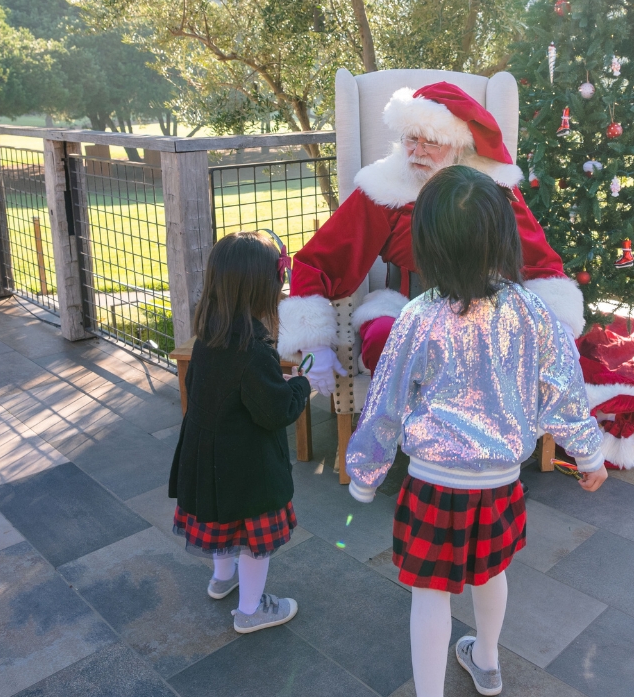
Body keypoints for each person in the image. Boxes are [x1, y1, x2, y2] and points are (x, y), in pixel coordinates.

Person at [344, 166, 609, 697]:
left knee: (429, 592)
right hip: (500, 482)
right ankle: (486, 662)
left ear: (428, 245)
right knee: (491, 574)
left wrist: (365, 473)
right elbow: (564, 389)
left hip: (432, 482)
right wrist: (589, 455)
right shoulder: (533, 313)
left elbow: (386, 401)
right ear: (503, 237)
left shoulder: (417, 316)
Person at [277, 83, 585, 390]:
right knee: (383, 336)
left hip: (483, 305)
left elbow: (540, 263)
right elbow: (321, 259)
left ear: (458, 146)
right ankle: (403, 415)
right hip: (405, 305)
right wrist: (313, 343)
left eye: (432, 142)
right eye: (412, 139)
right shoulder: (385, 187)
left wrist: (559, 329)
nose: (418, 151)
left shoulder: (490, 187)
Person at [168, 231, 312, 634]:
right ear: (261, 290)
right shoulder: (254, 351)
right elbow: (276, 412)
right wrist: (300, 386)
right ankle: (250, 611)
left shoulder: (207, 338)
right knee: (252, 541)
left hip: (206, 460)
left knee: (222, 525)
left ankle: (221, 579)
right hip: (248, 470)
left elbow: (201, 388)